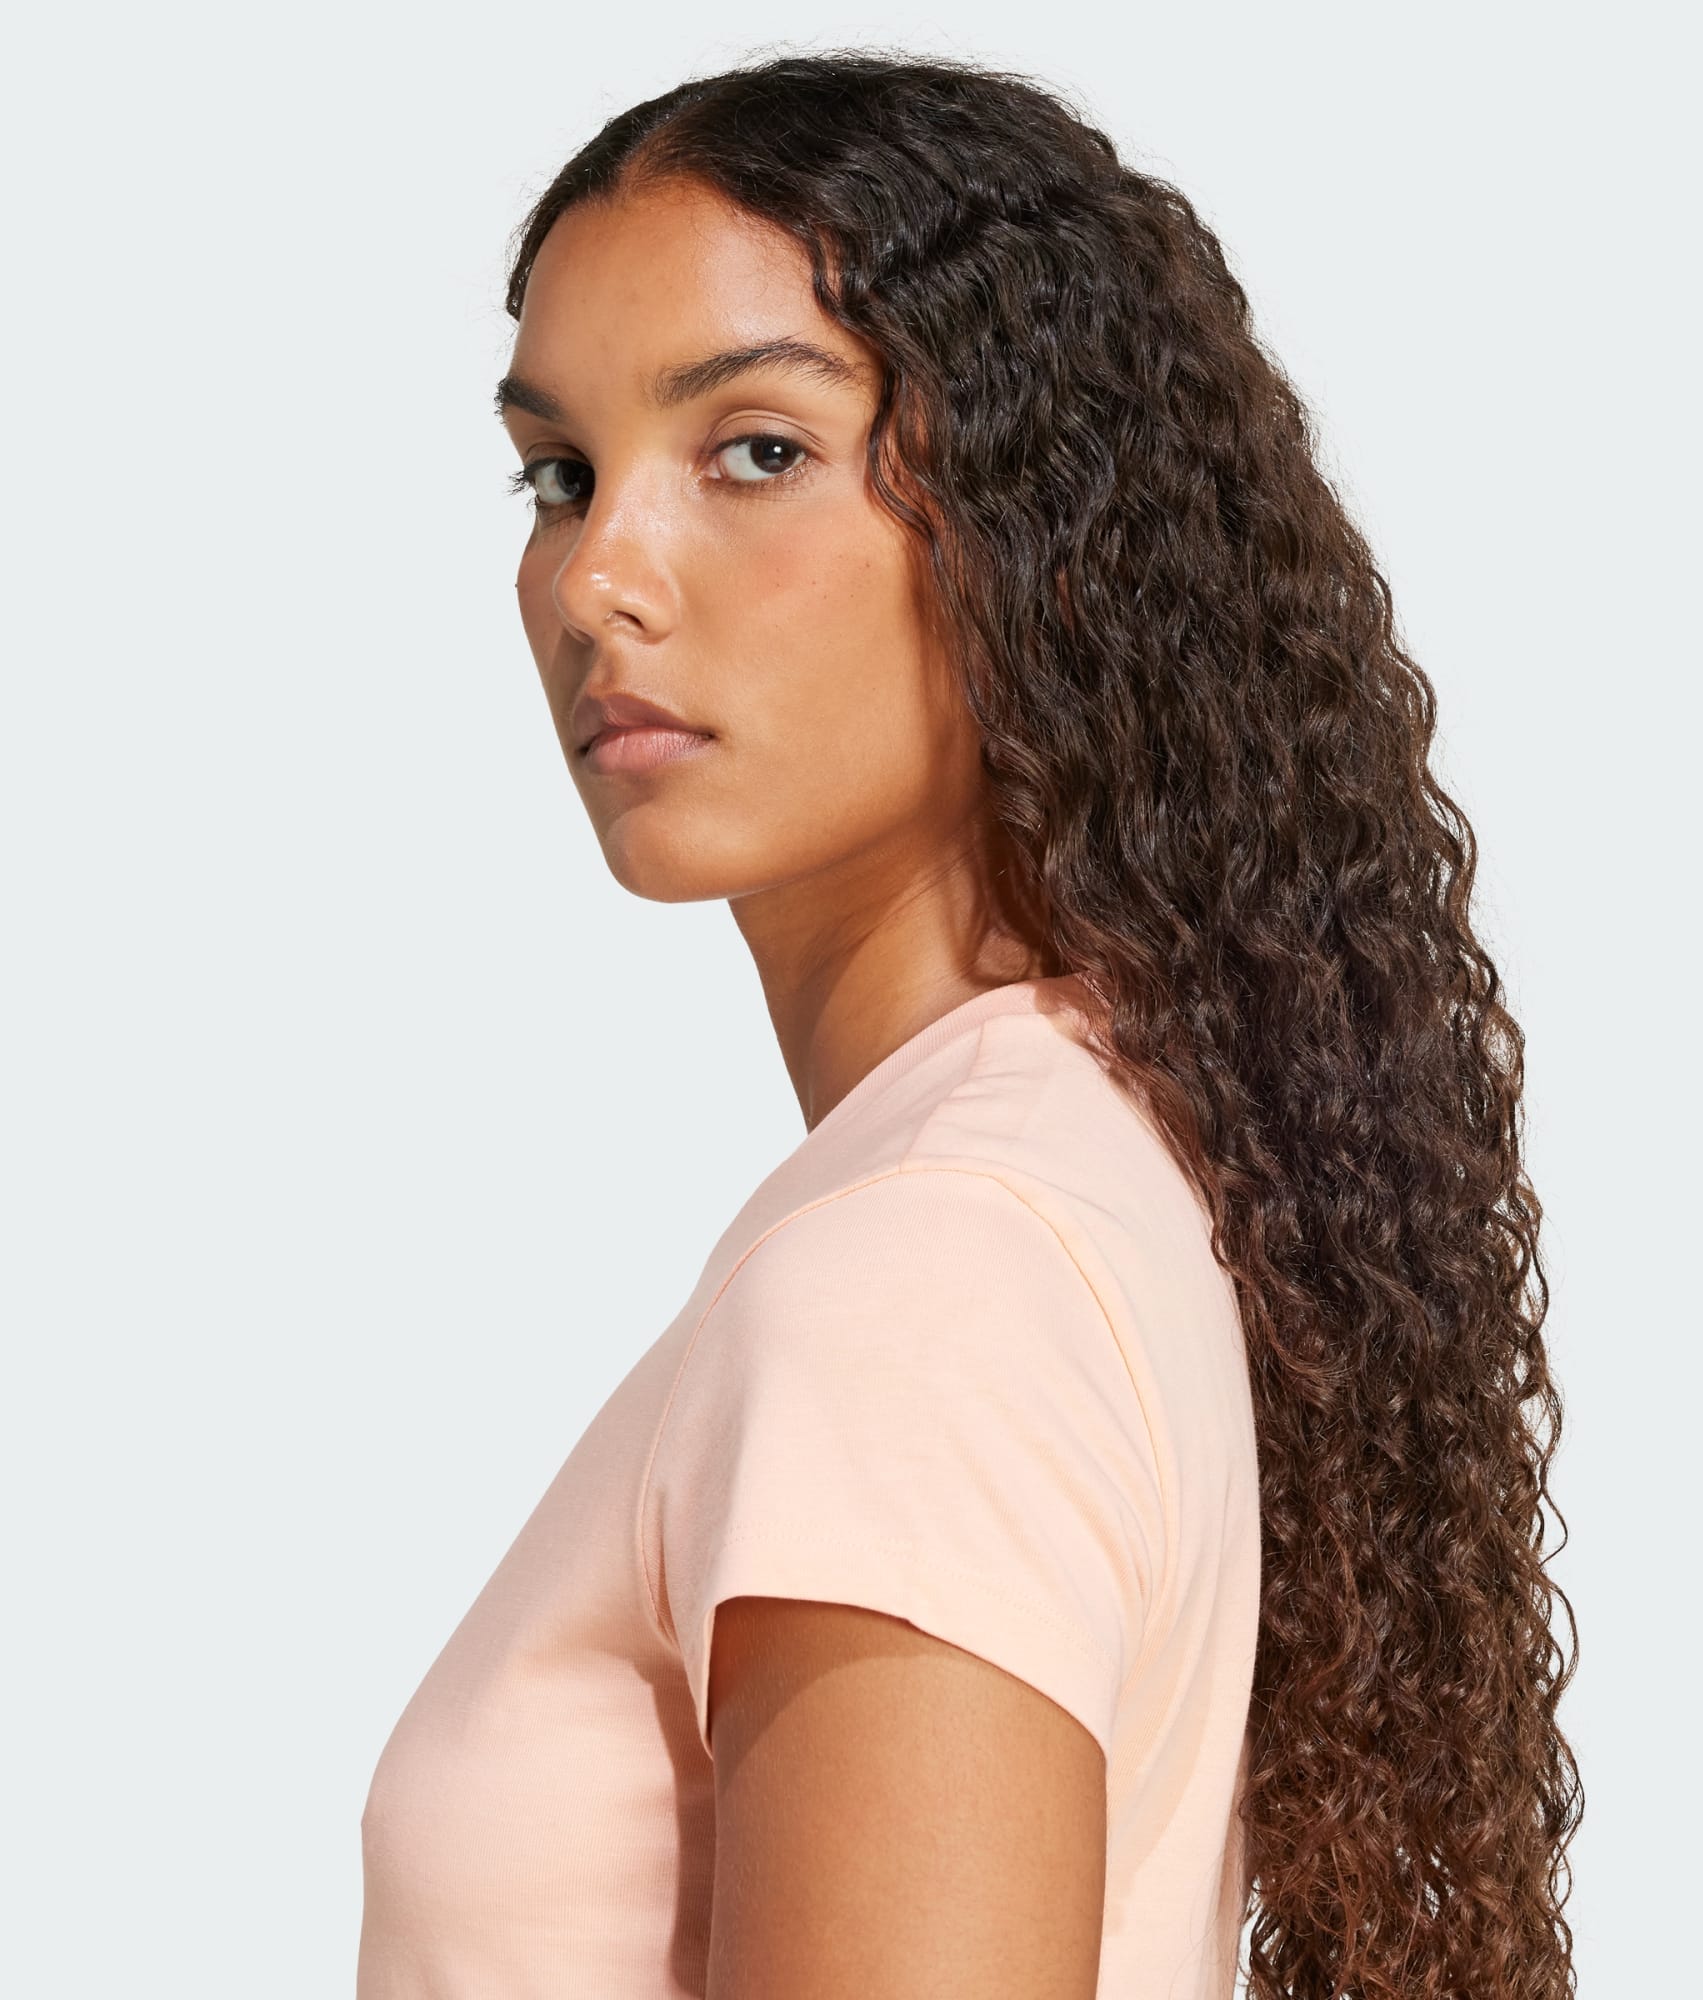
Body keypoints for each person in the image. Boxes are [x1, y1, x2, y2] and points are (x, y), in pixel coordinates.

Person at [357, 50, 1581, 2000]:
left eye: (755, 449)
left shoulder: (924, 1267)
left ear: (1044, 518)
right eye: (559, 474)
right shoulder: (1071, 1161)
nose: (597, 579)